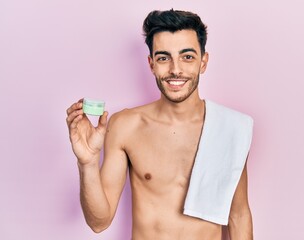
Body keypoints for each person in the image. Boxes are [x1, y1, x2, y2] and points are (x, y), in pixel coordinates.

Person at [66, 9, 253, 240]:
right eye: (164, 58)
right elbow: (99, 222)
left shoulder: (229, 128)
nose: (175, 69)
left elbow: (239, 215)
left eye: (187, 57)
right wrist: (88, 163)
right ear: (151, 64)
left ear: (203, 62)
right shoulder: (126, 126)